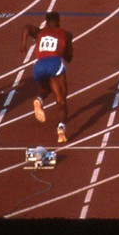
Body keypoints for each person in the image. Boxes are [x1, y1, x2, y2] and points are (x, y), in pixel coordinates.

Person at [21, 11, 73, 144]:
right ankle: (61, 128)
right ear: (59, 21)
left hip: (39, 66)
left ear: (46, 22)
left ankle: (39, 100)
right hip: (54, 63)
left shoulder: (39, 32)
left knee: (47, 87)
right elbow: (69, 57)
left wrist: (23, 45)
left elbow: (26, 27)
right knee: (61, 101)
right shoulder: (65, 34)